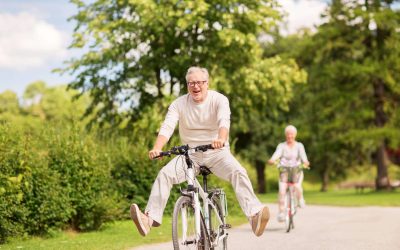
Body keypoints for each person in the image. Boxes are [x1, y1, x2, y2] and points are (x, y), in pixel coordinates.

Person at [130, 66, 270, 237]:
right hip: (190, 155)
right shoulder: (178, 104)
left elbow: (224, 121)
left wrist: (221, 138)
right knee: (164, 174)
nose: (195, 87)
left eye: (199, 83)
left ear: (207, 83)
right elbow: (167, 127)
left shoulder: (219, 100)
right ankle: (149, 219)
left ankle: (254, 216)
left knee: (238, 172)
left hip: (217, 153)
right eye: (191, 83)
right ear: (187, 85)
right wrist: (157, 148)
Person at [267, 125, 310, 222]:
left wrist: (305, 162)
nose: (290, 136)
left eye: (292, 134)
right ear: (285, 135)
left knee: (297, 186)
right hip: (284, 171)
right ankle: (281, 212)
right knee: (282, 191)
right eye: (288, 134)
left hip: (296, 171)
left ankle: (300, 199)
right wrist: (272, 160)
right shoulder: (282, 146)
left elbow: (304, 157)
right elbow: (276, 154)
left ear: (295, 135)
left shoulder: (299, 146)